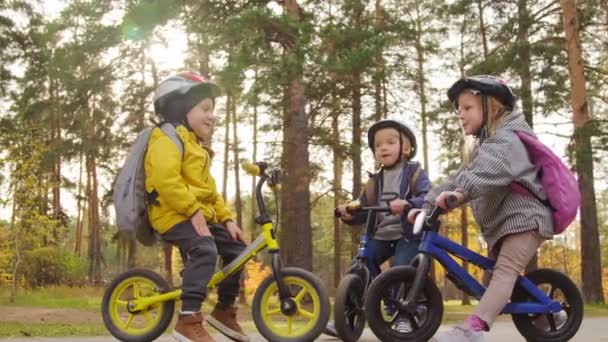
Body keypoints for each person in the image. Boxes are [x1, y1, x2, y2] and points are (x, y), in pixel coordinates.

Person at [409, 75, 563, 342]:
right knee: (493, 281)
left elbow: (485, 173)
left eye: (467, 107)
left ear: (492, 107)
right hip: (504, 223)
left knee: (504, 272)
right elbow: (461, 176)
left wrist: (459, 194)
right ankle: (552, 317)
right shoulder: (486, 145)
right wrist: (427, 203)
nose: (460, 114)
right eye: (458, 109)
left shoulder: (507, 139)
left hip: (526, 218)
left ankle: (473, 330)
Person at [145, 71, 248, 342]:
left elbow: (211, 192)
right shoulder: (166, 139)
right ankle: (188, 319)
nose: (212, 116)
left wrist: (227, 220)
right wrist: (193, 211)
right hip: (171, 214)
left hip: (194, 213)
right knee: (204, 249)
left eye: (213, 110)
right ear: (181, 108)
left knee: (238, 250)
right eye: (205, 108)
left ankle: (224, 310)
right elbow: (166, 181)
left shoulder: (198, 149)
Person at [328, 118, 432, 334]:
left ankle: (404, 315)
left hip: (408, 235)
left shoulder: (414, 174)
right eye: (378, 145)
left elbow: (428, 198)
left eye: (390, 142)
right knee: (360, 265)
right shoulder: (374, 181)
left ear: (406, 148)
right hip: (382, 234)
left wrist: (409, 204)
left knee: (401, 269)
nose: (383, 147)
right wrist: (349, 213)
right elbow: (364, 209)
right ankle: (347, 317)